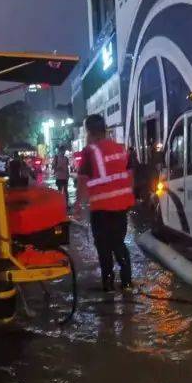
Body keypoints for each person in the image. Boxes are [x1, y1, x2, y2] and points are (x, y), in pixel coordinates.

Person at [76, 114, 135, 291]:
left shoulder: (89, 152)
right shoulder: (121, 149)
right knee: (119, 243)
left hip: (101, 210)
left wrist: (78, 206)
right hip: (121, 208)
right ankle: (127, 283)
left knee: (103, 248)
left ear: (89, 132)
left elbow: (82, 181)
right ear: (104, 129)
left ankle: (108, 285)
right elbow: (130, 177)